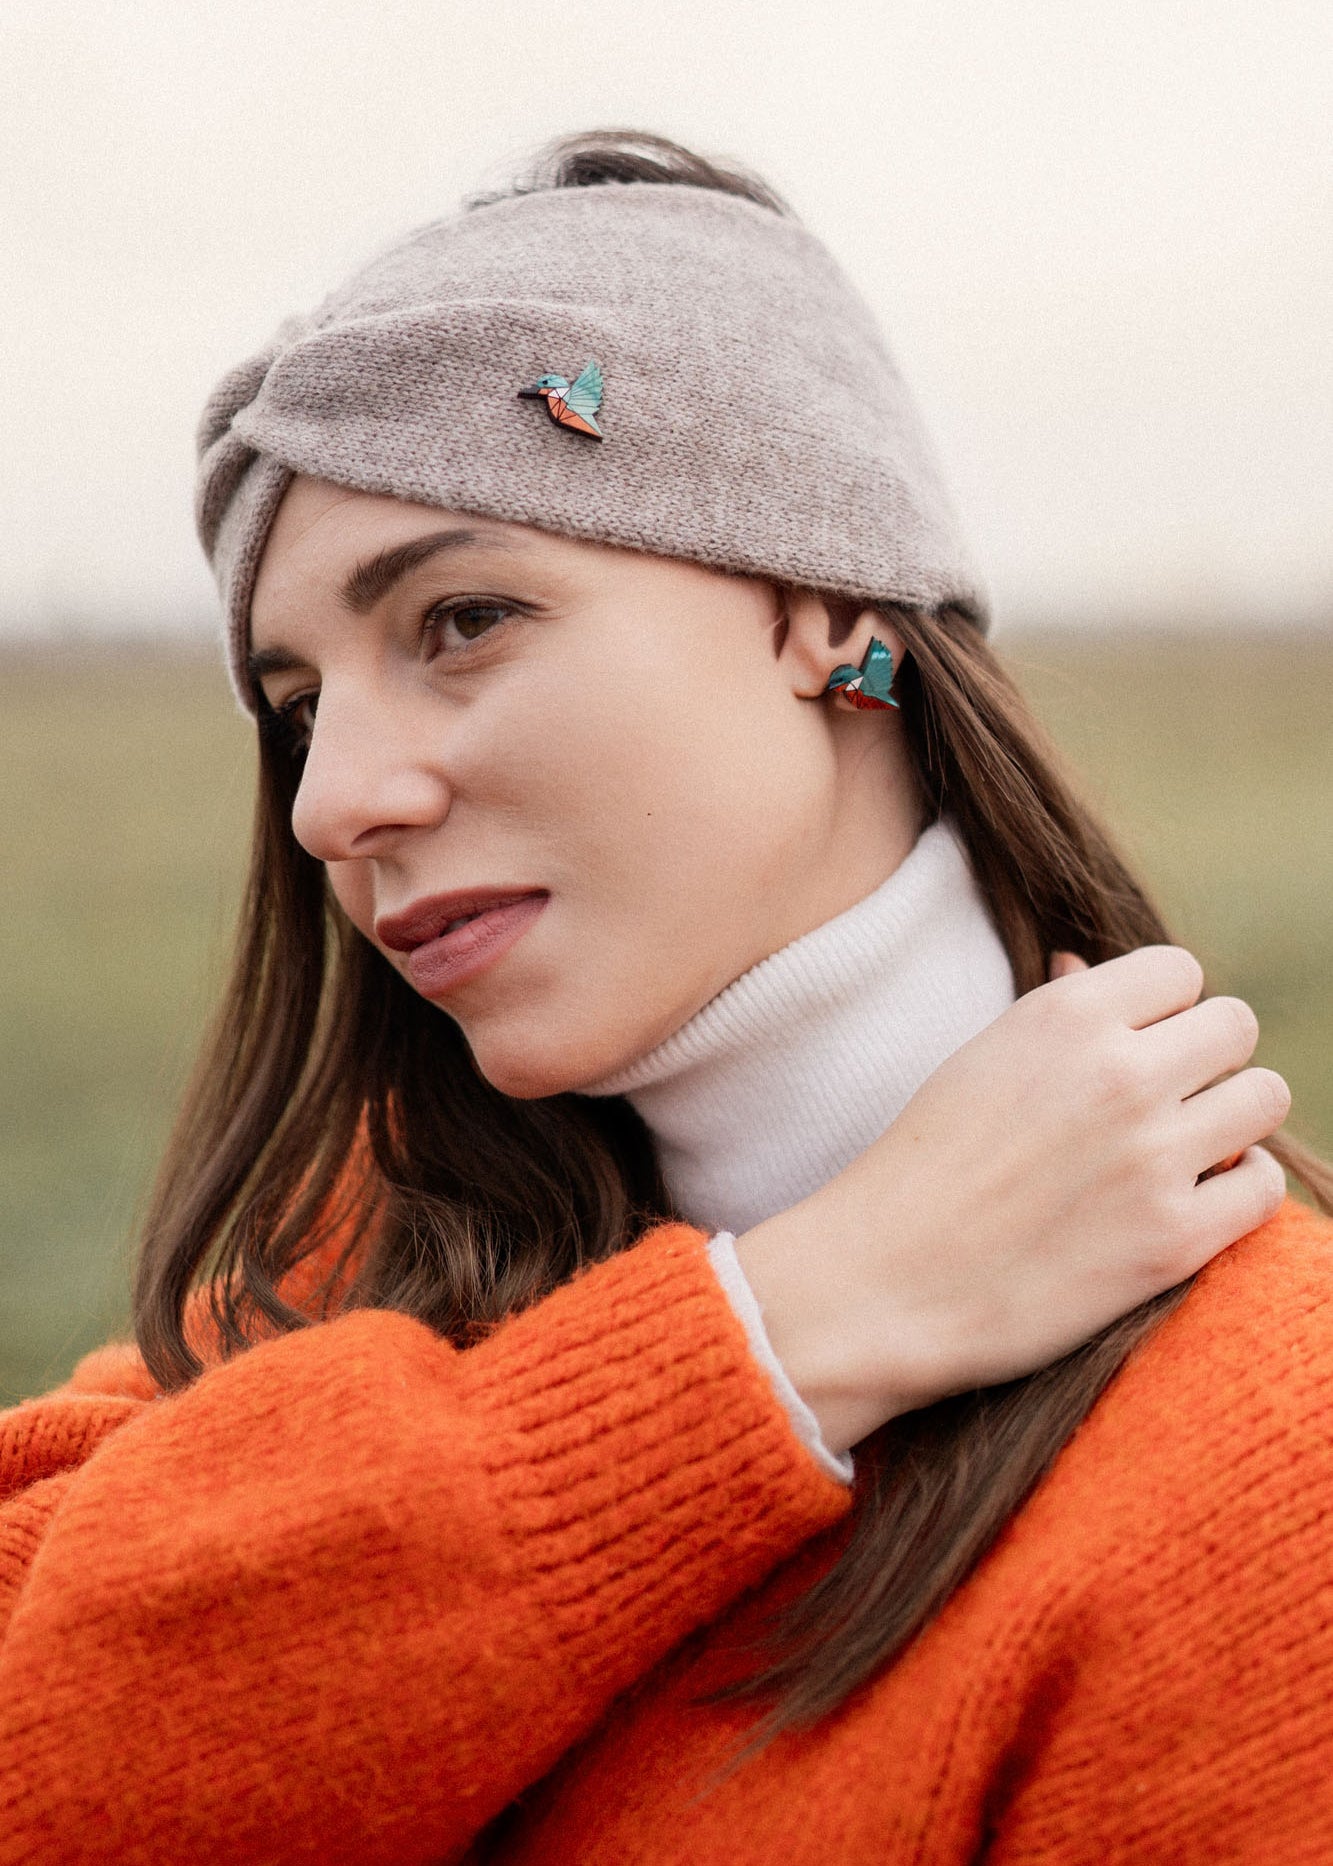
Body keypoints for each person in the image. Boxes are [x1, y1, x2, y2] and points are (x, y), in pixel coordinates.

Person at [1, 131, 1329, 1864]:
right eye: (297, 700)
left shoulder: (1269, 1471)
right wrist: (783, 1336)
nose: (333, 801)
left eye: (463, 616)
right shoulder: (375, 1250)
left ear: (825, 609)